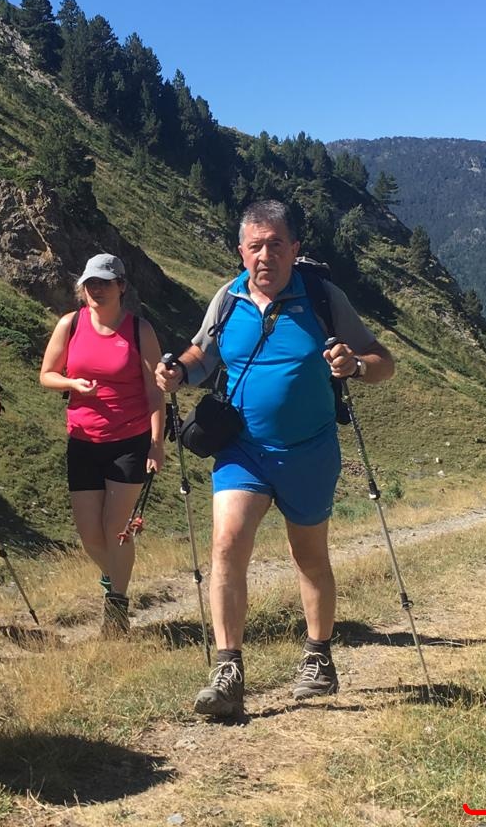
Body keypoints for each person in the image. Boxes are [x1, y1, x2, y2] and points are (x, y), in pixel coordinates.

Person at [156, 200, 395, 718]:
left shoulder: (322, 297)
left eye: (276, 244)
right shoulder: (228, 298)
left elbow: (383, 362)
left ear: (294, 248)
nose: (265, 255)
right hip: (242, 450)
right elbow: (202, 354)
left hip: (309, 451)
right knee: (227, 544)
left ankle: (318, 655)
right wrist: (178, 371)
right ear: (241, 251)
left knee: (308, 555)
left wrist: (354, 366)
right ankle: (227, 672)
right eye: (255, 246)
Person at [40, 254, 165, 634]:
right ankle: (116, 577)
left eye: (104, 283)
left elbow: (154, 391)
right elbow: (47, 375)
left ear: (121, 286)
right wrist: (72, 384)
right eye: (90, 283)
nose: (96, 289)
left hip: (130, 439)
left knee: (116, 528)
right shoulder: (71, 324)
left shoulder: (139, 330)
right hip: (82, 439)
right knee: (90, 535)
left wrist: (156, 443)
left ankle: (117, 608)